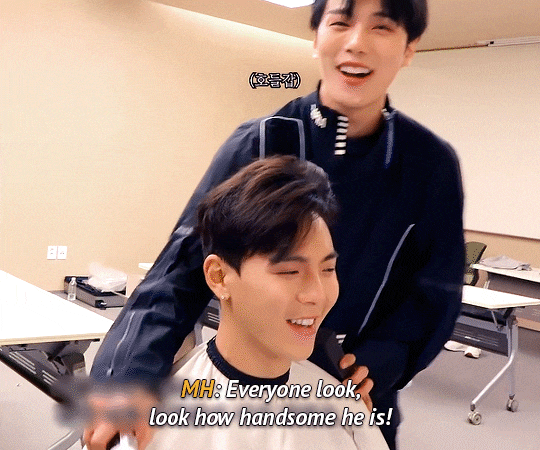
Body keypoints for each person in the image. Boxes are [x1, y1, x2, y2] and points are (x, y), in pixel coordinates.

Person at [86, 0, 464, 449]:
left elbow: (435, 287)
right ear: (316, 37)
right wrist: (128, 373)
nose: (356, 43)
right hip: (243, 372)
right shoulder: (261, 142)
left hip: (353, 383)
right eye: (340, 23)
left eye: (381, 27)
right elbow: (182, 266)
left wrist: (385, 357)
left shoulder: (430, 165)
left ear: (409, 48)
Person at [143, 155, 389, 449]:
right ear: (219, 277)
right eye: (290, 271)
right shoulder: (151, 418)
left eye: (328, 269)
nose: (317, 294)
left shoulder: (346, 412)